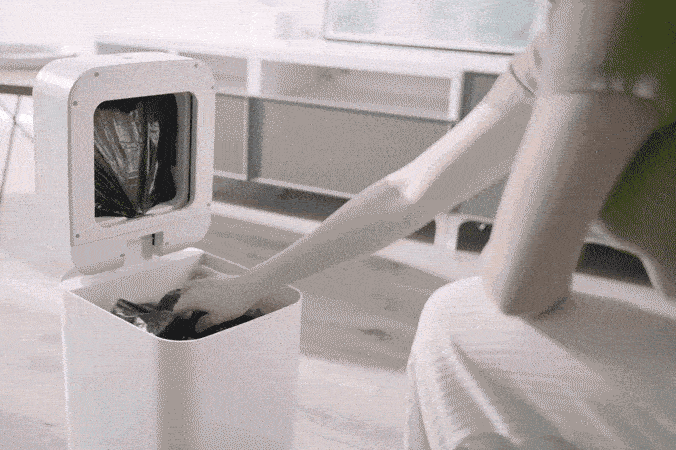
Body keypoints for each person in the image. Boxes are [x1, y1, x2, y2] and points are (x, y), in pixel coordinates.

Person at [175, 0, 675, 447]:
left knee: (455, 320)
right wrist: (250, 284)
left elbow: (519, 286)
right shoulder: (563, 42)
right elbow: (410, 192)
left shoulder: (618, 18)